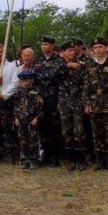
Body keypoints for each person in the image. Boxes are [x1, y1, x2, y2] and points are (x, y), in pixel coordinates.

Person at [83, 37, 108, 171]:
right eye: (95, 48)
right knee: (97, 134)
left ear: (106, 48)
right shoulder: (90, 65)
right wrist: (87, 104)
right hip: (94, 105)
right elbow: (86, 86)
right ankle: (99, 161)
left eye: (100, 47)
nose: (98, 50)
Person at [34, 35, 67, 166]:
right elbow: (36, 79)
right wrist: (38, 95)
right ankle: (45, 154)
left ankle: (55, 156)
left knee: (55, 127)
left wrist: (45, 75)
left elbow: (53, 75)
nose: (44, 47)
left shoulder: (59, 61)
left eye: (46, 45)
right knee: (43, 126)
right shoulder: (38, 60)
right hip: (42, 98)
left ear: (53, 46)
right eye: (42, 45)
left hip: (55, 97)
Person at [59, 40, 87, 170]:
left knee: (79, 131)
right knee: (66, 132)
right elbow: (52, 75)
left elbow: (85, 83)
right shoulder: (58, 64)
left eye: (72, 50)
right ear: (63, 53)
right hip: (64, 102)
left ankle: (81, 159)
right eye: (68, 51)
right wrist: (68, 66)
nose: (71, 52)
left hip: (77, 102)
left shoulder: (81, 65)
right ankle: (71, 159)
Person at [12, 70, 43, 169]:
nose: (24, 82)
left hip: (32, 121)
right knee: (23, 141)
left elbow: (41, 107)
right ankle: (24, 160)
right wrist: (16, 117)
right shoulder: (18, 92)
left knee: (33, 140)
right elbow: (15, 106)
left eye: (27, 80)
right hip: (21, 121)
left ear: (31, 80)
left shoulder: (36, 92)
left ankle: (34, 160)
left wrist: (37, 117)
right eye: (22, 80)